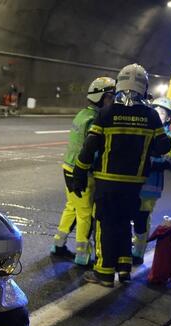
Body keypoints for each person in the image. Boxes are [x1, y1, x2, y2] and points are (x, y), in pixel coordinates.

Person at [72, 64, 171, 286]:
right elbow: (163, 146)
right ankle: (124, 269)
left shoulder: (107, 113)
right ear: (144, 87)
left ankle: (103, 273)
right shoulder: (151, 115)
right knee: (124, 223)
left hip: (107, 181)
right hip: (134, 183)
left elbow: (89, 147)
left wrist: (79, 173)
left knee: (105, 224)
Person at [51, 76, 115, 266]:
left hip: (68, 168)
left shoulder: (82, 114)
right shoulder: (96, 119)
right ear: (101, 97)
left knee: (72, 207)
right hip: (82, 171)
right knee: (85, 213)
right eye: (110, 97)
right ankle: (82, 256)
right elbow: (93, 149)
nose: (112, 101)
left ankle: (58, 244)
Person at [132, 96, 171, 265]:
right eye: (156, 111)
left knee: (142, 219)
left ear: (169, 118)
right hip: (134, 183)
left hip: (150, 188)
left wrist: (145, 160)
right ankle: (131, 246)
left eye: (162, 113)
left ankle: (138, 253)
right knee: (130, 216)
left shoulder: (170, 139)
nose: (158, 115)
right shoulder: (143, 130)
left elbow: (166, 161)